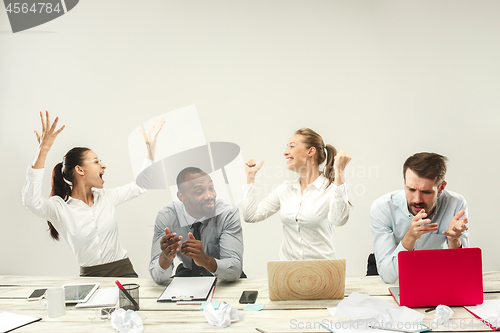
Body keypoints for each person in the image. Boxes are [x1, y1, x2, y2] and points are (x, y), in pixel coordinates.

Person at [22, 111, 164, 277]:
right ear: (79, 170)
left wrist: (150, 147)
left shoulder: (107, 197)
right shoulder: (59, 208)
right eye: (97, 162)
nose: (104, 166)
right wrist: (43, 151)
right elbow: (30, 201)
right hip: (90, 278)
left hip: (124, 272)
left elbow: (141, 185)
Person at [242, 128, 351, 261]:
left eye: (292, 147)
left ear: (311, 151)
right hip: (288, 272)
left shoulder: (331, 189)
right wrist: (250, 178)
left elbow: (339, 220)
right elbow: (251, 215)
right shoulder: (285, 189)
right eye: (287, 147)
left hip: (323, 271)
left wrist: (339, 172)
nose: (285, 152)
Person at [370, 152, 469, 284]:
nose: (417, 200)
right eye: (411, 189)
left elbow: (464, 270)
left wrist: (454, 240)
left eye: (426, 192)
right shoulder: (383, 208)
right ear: (404, 183)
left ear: (441, 188)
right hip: (392, 274)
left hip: (431, 272)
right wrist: (410, 237)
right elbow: (388, 277)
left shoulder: (456, 204)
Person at [149, 167, 244, 284]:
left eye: (211, 188)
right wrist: (165, 257)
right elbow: (157, 277)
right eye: (199, 192)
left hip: (223, 277)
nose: (209, 196)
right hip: (189, 273)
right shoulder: (167, 217)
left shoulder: (227, 213)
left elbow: (234, 270)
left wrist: (205, 261)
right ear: (181, 196)